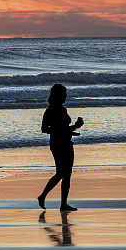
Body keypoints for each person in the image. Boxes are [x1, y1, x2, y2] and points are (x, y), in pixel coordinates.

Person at [37, 83, 83, 211]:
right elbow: (47, 129)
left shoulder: (52, 109)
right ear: (59, 95)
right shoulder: (56, 110)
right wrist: (76, 126)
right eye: (64, 94)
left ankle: (62, 203)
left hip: (61, 142)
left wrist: (71, 131)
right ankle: (44, 196)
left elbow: (47, 129)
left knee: (65, 174)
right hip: (60, 144)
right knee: (62, 174)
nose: (66, 97)